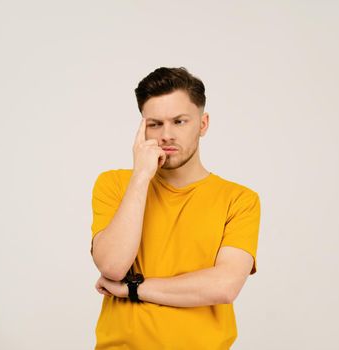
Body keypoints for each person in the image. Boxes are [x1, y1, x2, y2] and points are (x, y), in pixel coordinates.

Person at [90, 66, 261, 349]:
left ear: (203, 124)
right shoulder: (116, 184)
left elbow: (224, 286)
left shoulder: (239, 199)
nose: (166, 135)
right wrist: (141, 176)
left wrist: (132, 289)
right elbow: (112, 264)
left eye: (179, 122)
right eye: (155, 124)